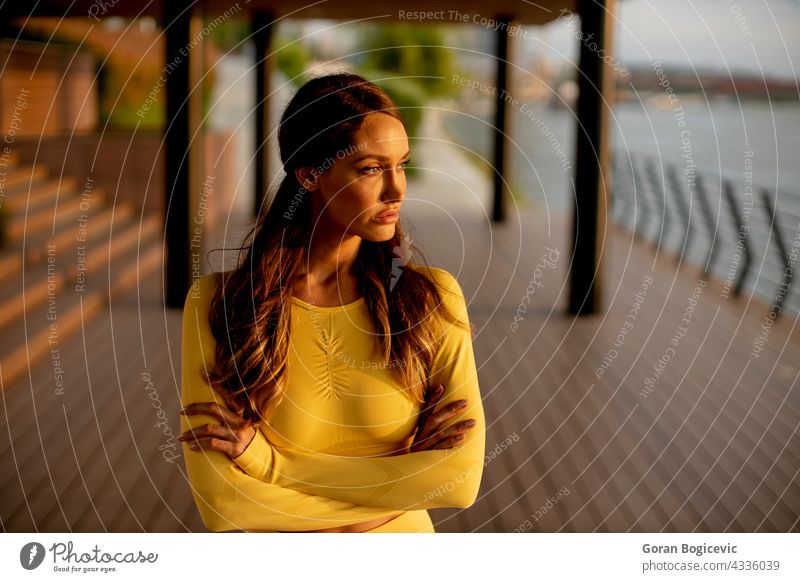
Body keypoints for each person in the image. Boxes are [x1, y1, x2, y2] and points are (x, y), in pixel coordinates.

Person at [178, 72, 485, 533]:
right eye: (370, 169)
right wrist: (399, 486)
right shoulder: (219, 305)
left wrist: (269, 466)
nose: (397, 190)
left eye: (401, 164)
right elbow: (225, 504)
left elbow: (458, 481)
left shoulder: (430, 300)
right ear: (310, 174)